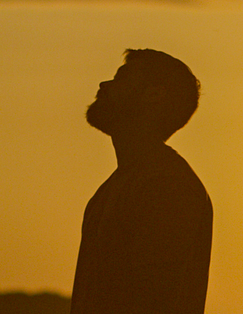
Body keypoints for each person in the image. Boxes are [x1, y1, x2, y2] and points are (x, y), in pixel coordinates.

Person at [71, 49, 212, 314]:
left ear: (154, 95)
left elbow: (157, 297)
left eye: (121, 79)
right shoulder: (118, 186)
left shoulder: (167, 185)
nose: (105, 85)